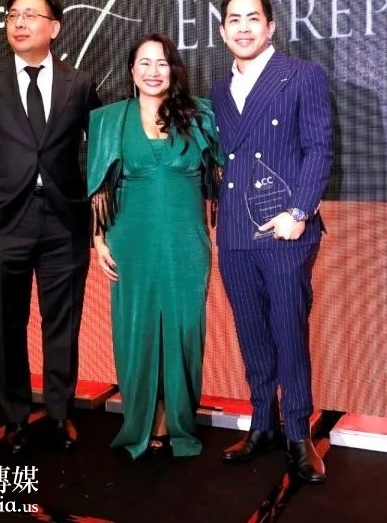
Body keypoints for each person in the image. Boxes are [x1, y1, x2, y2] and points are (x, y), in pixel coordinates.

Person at [0, 0, 101, 456]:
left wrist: (92, 204)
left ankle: (58, 415)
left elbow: (99, 148)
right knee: (8, 324)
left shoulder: (80, 83)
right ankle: (15, 417)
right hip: (3, 223)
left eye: (31, 14)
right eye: (13, 14)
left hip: (63, 223)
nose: (19, 22)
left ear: (54, 28)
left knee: (63, 325)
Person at [210, 0, 333, 483]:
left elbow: (319, 148)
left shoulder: (302, 75)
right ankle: (262, 423)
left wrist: (299, 210)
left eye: (252, 18)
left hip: (285, 228)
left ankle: (298, 433)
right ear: (222, 31)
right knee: (251, 331)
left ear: (271, 26)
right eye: (234, 20)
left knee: (287, 329)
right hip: (235, 231)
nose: (243, 27)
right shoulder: (219, 90)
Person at [87, 33, 223, 459]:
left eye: (162, 63)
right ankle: (141, 422)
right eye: (144, 63)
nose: (152, 71)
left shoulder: (200, 115)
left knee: (184, 330)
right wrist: (98, 240)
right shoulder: (109, 119)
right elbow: (100, 188)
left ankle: (178, 421)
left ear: (174, 70)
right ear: (131, 71)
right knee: (136, 329)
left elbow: (223, 173)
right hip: (131, 238)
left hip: (186, 240)